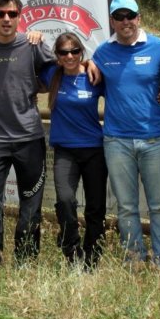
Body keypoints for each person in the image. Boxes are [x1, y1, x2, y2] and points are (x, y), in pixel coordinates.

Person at [0, 0, 56, 281]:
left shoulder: (32, 44)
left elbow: (59, 69)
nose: (6, 19)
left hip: (30, 136)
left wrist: (44, 84)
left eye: (12, 14)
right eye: (0, 14)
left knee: (30, 201)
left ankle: (26, 261)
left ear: (20, 16)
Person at [92, 0, 160, 269]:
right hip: (117, 140)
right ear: (112, 21)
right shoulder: (102, 53)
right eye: (119, 17)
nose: (126, 22)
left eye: (130, 16)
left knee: (159, 205)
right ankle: (134, 259)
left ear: (139, 18)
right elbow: (90, 77)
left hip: (154, 138)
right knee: (126, 206)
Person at [39, 33, 107, 268]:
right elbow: (26, 62)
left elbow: (119, 92)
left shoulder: (93, 76)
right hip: (65, 151)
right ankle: (71, 248)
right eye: (63, 52)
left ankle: (92, 255)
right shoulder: (51, 75)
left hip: (94, 150)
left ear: (82, 52)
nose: (69, 56)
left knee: (95, 206)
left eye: (74, 51)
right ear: (57, 56)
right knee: (66, 201)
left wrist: (93, 63)